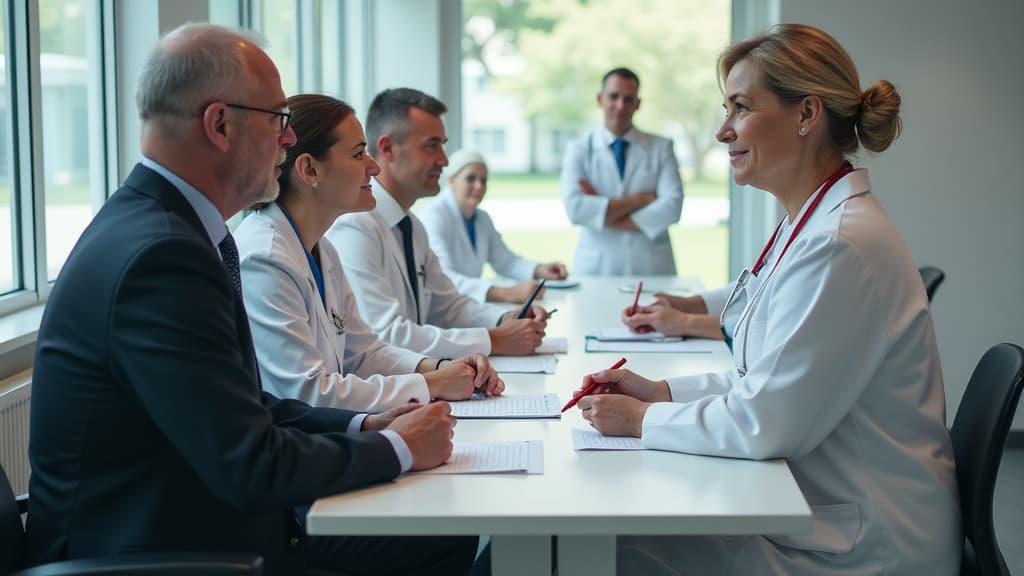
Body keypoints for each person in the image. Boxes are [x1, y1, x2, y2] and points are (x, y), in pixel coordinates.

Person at [27, 24, 478, 576]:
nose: (288, 141)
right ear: (219, 124)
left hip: (195, 524)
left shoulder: (169, 227)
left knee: (445, 529)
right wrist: (398, 450)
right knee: (443, 534)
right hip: (166, 551)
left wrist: (368, 427)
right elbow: (249, 461)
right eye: (278, 121)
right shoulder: (163, 255)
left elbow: (244, 407)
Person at [575, 24, 959, 575]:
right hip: (826, 507)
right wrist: (661, 391)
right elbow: (766, 379)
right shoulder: (808, 225)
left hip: (865, 544)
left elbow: (764, 421)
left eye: (740, 108)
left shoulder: (838, 245)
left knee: (609, 552)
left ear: (806, 115)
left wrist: (642, 419)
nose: (722, 131)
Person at [236, 95, 504, 412]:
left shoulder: (323, 249)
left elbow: (363, 353)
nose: (374, 167)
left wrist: (439, 367)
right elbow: (305, 392)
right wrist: (430, 384)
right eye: (359, 154)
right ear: (309, 169)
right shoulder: (264, 259)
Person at [326, 88, 549, 358]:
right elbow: (385, 334)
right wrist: (494, 339)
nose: (444, 160)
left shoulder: (412, 226)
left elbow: (448, 306)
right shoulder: (356, 226)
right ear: (388, 149)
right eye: (431, 146)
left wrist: (504, 319)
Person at [560, 67, 683, 276]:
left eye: (629, 99)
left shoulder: (661, 147)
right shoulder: (579, 149)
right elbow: (575, 209)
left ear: (638, 104)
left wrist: (604, 213)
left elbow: (672, 206)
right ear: (600, 99)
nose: (620, 106)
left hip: (651, 268)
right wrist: (640, 200)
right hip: (597, 269)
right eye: (613, 97)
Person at [420, 148, 567, 303]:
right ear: (451, 180)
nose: (479, 186)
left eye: (483, 180)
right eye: (471, 178)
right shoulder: (433, 216)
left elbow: (505, 261)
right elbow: (444, 277)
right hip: (442, 312)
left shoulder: (482, 218)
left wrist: (539, 270)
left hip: (467, 306)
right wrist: (506, 293)